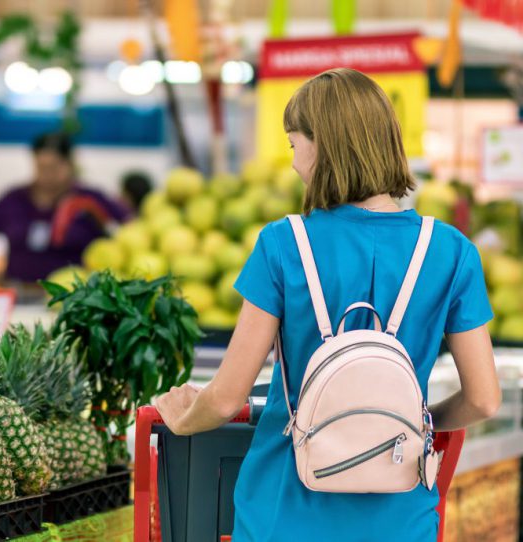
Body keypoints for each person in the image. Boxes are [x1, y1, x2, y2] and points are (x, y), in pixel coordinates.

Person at [154, 68, 500, 541]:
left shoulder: (283, 244)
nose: (294, 163)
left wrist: (183, 417)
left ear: (324, 147)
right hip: (400, 514)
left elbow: (227, 396)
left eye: (295, 145)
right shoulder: (451, 251)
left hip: (284, 507)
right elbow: (484, 399)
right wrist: (405, 423)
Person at [0, 132, 129, 284]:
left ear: (70, 164)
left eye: (53, 168)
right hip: (19, 293)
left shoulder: (90, 200)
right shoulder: (13, 199)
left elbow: (128, 229)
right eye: (41, 167)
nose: (47, 174)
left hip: (75, 298)